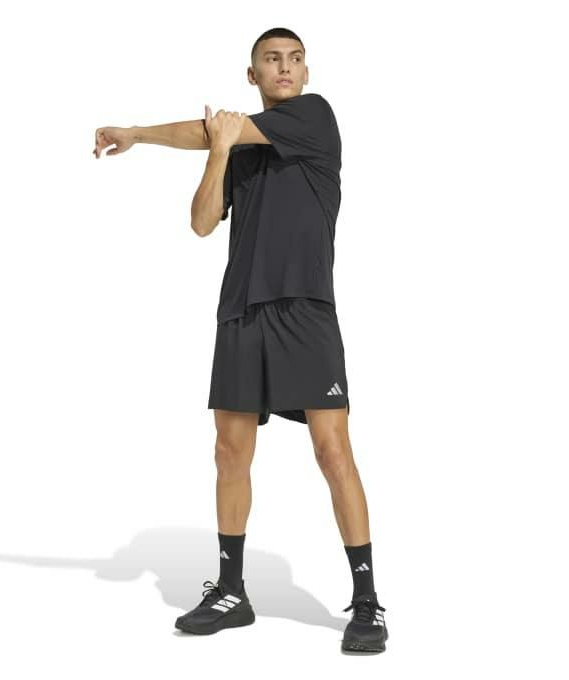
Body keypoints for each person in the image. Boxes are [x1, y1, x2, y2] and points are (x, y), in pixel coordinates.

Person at [93, 27, 389, 654]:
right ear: (252, 75)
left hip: (305, 309)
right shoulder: (239, 145)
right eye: (271, 61)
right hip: (241, 313)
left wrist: (139, 134)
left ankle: (367, 600)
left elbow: (208, 129)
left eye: (294, 59)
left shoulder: (314, 116)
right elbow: (202, 223)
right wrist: (220, 151)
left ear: (305, 72)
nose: (285, 68)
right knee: (230, 452)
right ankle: (232, 592)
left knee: (333, 450)